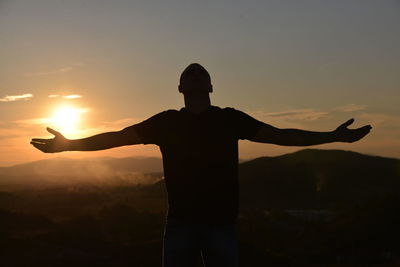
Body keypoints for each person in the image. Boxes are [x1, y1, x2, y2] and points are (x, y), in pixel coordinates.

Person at [30, 63, 372, 267]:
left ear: (210, 86)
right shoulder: (164, 122)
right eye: (189, 74)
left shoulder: (230, 119)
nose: (195, 75)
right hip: (179, 223)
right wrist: (68, 145)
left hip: (222, 223)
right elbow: (116, 137)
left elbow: (282, 135)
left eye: (201, 74)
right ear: (180, 87)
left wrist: (332, 136)